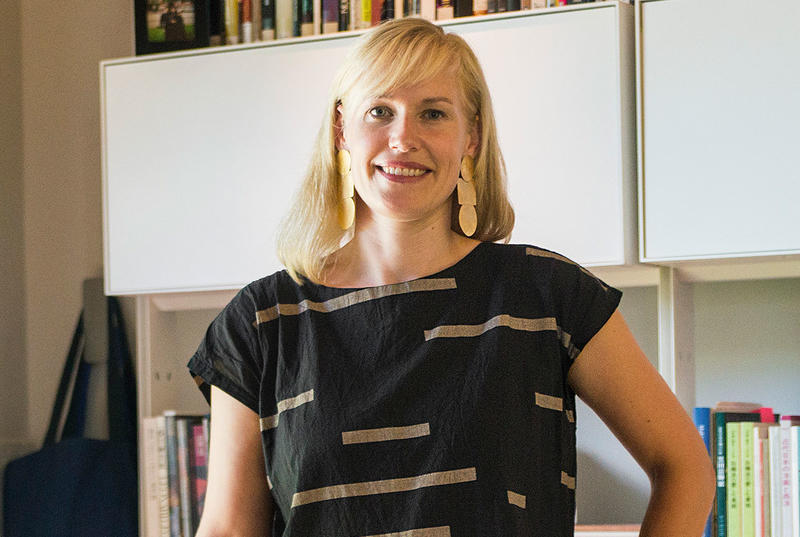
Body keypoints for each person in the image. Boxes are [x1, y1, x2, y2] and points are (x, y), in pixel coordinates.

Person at [189, 17, 715, 537]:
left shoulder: (548, 295)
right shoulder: (260, 323)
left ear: (471, 138)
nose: (403, 138)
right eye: (380, 111)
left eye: (433, 113)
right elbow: (229, 529)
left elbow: (685, 468)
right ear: (341, 130)